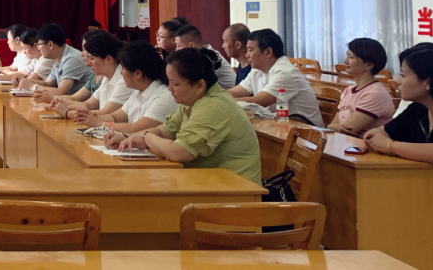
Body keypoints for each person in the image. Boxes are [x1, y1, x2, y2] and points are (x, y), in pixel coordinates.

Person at [109, 47, 262, 182]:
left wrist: (146, 137)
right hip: (211, 182)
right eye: (169, 82)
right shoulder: (192, 101)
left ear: (199, 85)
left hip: (236, 193)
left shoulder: (214, 106)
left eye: (175, 84)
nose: (169, 88)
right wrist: (128, 138)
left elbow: (179, 152)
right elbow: (163, 131)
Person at [365, 43, 433, 254]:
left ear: (427, 82)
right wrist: (386, 142)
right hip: (428, 198)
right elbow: (376, 134)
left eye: (404, 75)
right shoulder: (418, 110)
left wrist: (391, 146)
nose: (397, 81)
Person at [226, 29, 323, 126]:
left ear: (268, 52)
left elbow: (257, 102)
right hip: (281, 124)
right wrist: (218, 95)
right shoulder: (257, 70)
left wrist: (221, 101)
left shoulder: (285, 72)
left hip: (305, 129)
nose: (247, 55)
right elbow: (238, 91)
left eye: (250, 50)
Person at [82, 41, 177, 135]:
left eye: (123, 68)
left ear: (138, 73)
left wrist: (100, 123)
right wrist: (91, 117)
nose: (121, 72)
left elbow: (135, 128)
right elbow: (115, 117)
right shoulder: (138, 92)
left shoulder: (164, 97)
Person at [51, 30, 132, 122]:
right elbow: (88, 104)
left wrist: (67, 112)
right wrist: (60, 105)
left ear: (108, 59)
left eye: (92, 59)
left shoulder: (123, 80)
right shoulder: (106, 77)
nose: (89, 63)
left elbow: (105, 113)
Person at [328, 38, 396, 137]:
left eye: (351, 57)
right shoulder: (348, 90)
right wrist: (334, 127)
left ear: (369, 64)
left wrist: (334, 127)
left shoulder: (375, 93)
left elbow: (349, 129)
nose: (345, 61)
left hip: (361, 145)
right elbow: (333, 127)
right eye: (347, 55)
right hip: (343, 142)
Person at [16, 23, 90, 98]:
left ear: (50, 45)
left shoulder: (72, 59)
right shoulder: (58, 57)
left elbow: (61, 92)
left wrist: (32, 87)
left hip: (81, 104)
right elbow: (48, 83)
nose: (38, 48)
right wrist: (23, 81)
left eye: (39, 44)